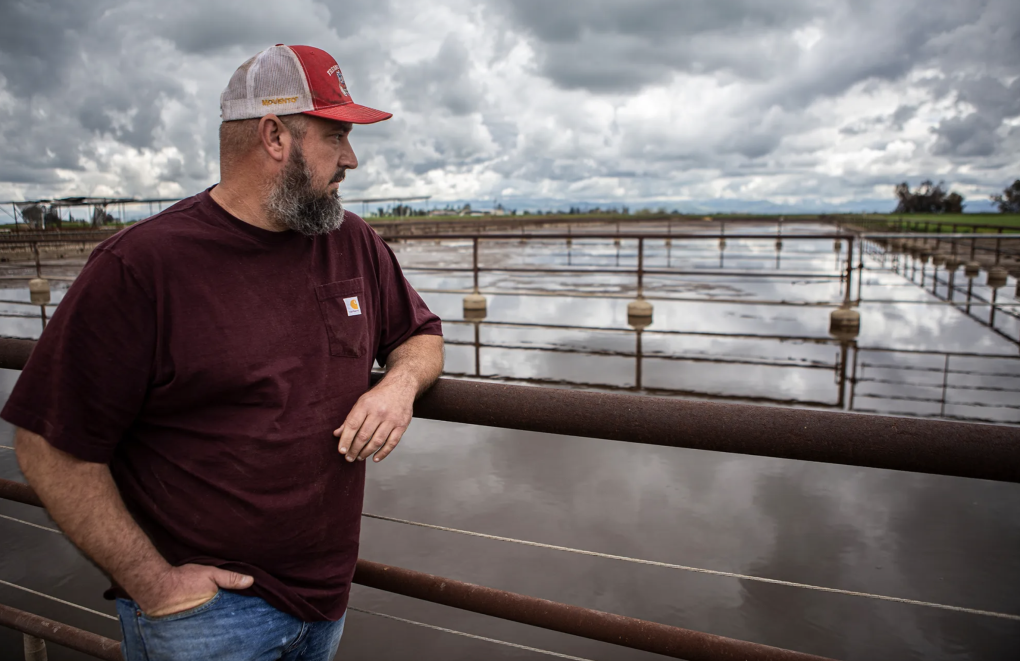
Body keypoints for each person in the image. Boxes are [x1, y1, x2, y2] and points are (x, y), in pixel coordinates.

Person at [3, 44, 444, 660]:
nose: (352, 158)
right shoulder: (143, 266)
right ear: (274, 136)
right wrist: (154, 585)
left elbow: (421, 334)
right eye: (336, 135)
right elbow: (47, 445)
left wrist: (398, 385)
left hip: (326, 603)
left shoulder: (350, 241)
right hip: (206, 620)